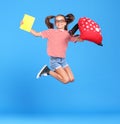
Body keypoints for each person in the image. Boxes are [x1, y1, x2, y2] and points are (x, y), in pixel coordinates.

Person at [21, 14, 83, 84]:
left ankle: (51, 71)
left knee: (71, 79)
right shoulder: (50, 32)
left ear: (65, 22)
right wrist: (26, 26)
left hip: (63, 60)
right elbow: (36, 34)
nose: (59, 22)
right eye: (57, 21)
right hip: (54, 60)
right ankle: (47, 71)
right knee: (65, 80)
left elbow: (78, 39)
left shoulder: (68, 34)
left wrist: (84, 36)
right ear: (55, 23)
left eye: (61, 20)